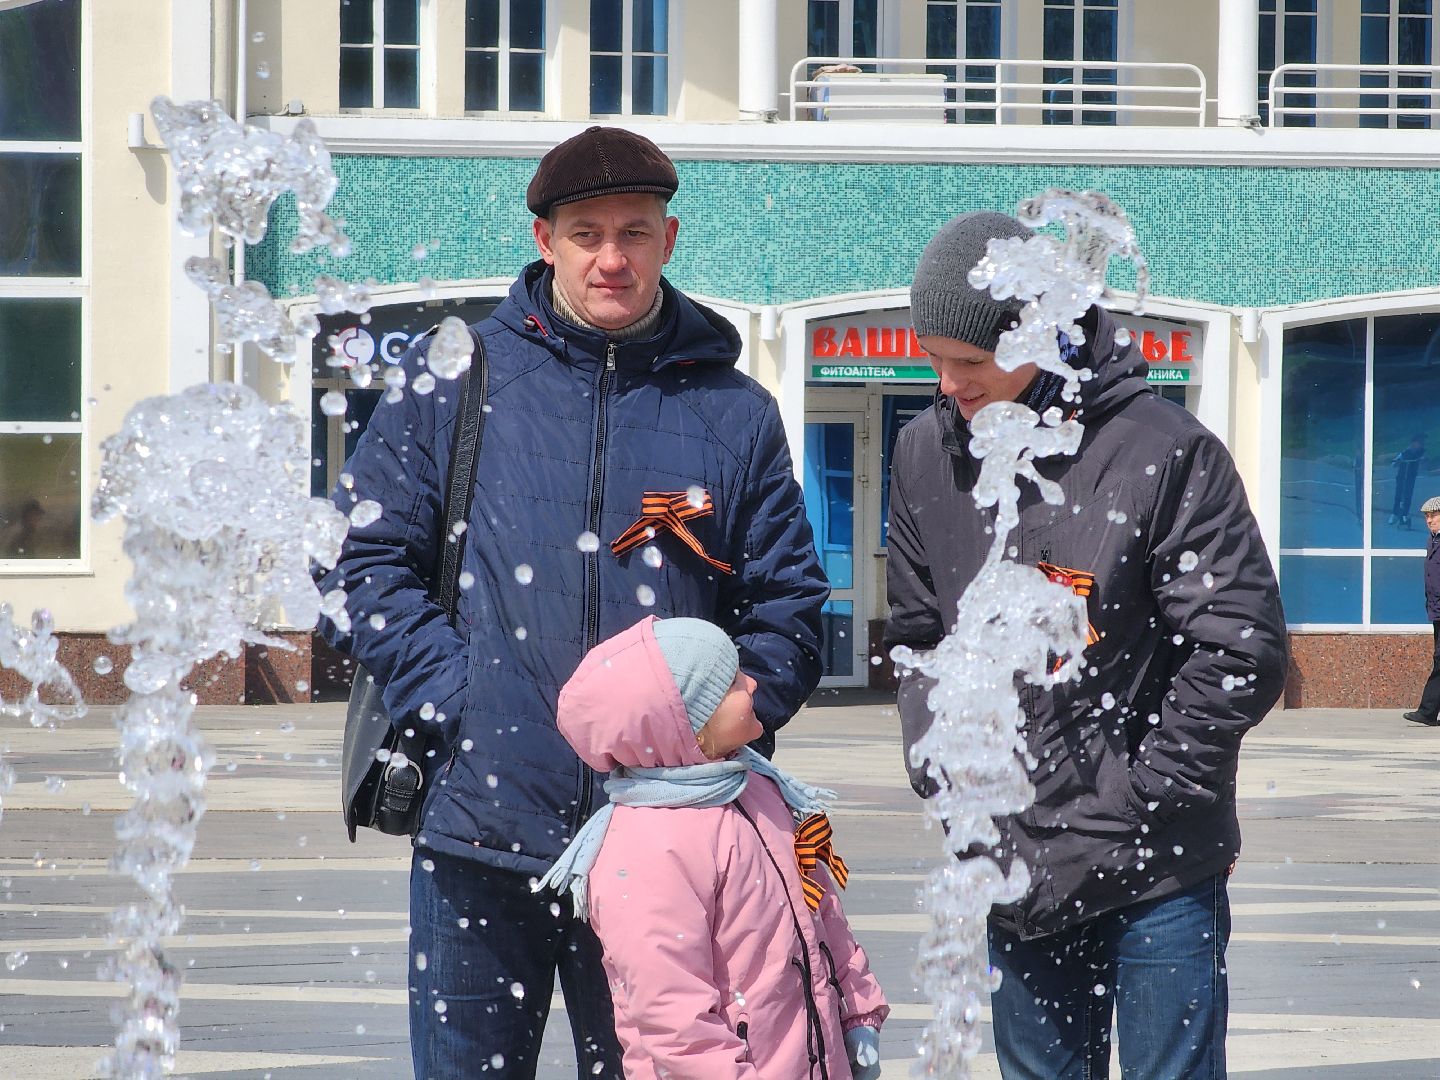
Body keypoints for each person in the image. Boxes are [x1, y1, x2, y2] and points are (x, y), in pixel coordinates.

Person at [316, 127, 829, 1079]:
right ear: (545, 239)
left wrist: (734, 719)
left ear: (669, 241)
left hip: (667, 844)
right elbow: (365, 560)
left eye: (634, 232)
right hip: (479, 826)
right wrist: (459, 698)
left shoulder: (733, 409)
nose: (612, 257)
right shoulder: (456, 379)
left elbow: (789, 601)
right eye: (587, 232)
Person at [884, 211, 1289, 1080]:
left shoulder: (1165, 451)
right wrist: (946, 769)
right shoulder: (925, 454)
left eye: (970, 361)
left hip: (1156, 870)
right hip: (1013, 857)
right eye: (935, 357)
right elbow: (921, 635)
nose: (947, 382)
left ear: (1039, 333)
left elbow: (1239, 649)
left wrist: (1142, 795)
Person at [538, 615, 888, 1079]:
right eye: (731, 684)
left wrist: (857, 1011)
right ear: (688, 728)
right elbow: (674, 1019)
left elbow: (820, 909)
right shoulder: (650, 848)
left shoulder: (760, 790)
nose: (753, 683)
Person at [1404, 495, 1440, 726]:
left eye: (1434, 515)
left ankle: (1427, 711)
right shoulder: (1433, 541)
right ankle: (1427, 711)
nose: (1429, 520)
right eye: (1427, 516)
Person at [1390, 434, 1426, 529]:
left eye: (1421, 443)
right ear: (1413, 443)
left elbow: (1424, 459)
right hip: (1401, 476)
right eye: (1418, 442)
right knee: (1399, 494)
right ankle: (1394, 513)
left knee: (1407, 495)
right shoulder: (1405, 452)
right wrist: (1396, 461)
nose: (1420, 444)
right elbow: (1395, 461)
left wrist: (1423, 460)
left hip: (1410, 477)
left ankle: (1404, 514)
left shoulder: (1421, 452)